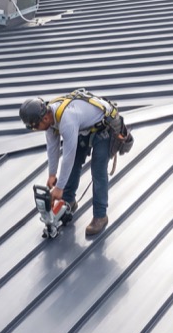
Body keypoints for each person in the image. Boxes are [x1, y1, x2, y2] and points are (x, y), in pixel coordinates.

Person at [19, 95, 112, 238]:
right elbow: (53, 148)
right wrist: (52, 175)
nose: (36, 129)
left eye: (35, 126)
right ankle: (69, 201)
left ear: (44, 118)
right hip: (85, 128)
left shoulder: (67, 121)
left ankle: (100, 216)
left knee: (98, 170)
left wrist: (59, 188)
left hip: (103, 126)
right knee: (74, 163)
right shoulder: (50, 121)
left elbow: (68, 156)